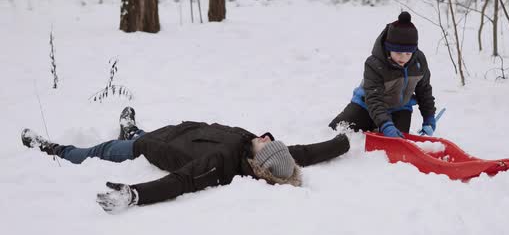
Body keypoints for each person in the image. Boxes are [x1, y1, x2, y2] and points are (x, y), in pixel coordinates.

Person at [21, 107, 349, 213]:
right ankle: (131, 129)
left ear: (257, 163)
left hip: (148, 147)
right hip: (172, 131)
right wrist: (344, 140)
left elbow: (181, 181)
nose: (266, 138)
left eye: (266, 145)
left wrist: (135, 195)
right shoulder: (253, 145)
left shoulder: (221, 164)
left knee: (94, 153)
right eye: (271, 141)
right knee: (139, 133)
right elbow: (304, 152)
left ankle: (52, 148)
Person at [329, 12, 437, 138]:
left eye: (408, 53)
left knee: (397, 141)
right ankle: (375, 124)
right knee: (337, 129)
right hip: (366, 105)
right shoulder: (374, 64)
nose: (403, 58)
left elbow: (424, 91)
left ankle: (379, 125)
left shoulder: (418, 61)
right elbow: (373, 99)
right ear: (388, 48)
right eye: (398, 53)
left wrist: (429, 118)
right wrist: (385, 124)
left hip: (399, 108)